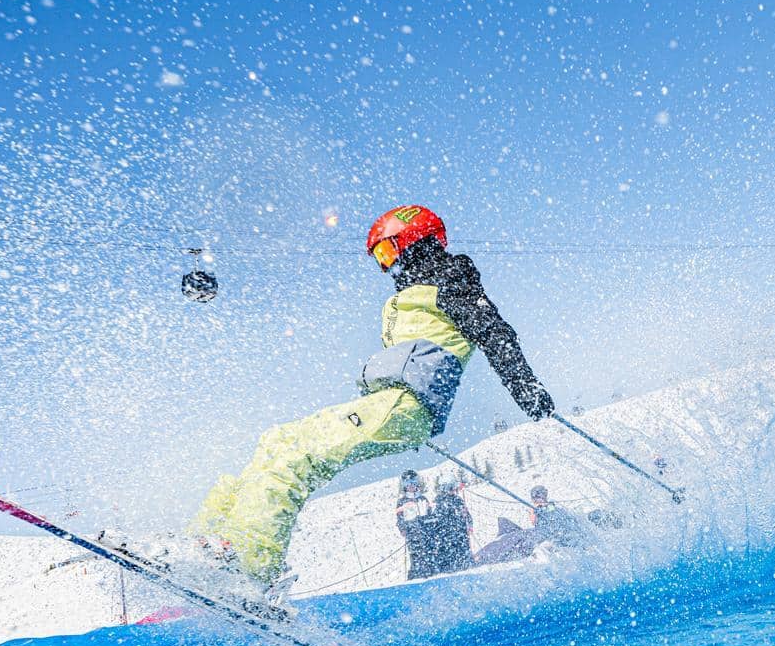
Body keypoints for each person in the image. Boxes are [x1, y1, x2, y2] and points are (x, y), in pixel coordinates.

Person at [192, 204, 554, 585]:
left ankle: (252, 569)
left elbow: (496, 334)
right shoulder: (409, 296)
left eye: (386, 252)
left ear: (414, 241)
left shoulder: (450, 280)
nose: (386, 267)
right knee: (276, 441)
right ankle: (209, 543)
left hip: (406, 406)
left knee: (299, 457)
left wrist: (527, 389)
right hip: (383, 404)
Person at [423, 477, 475, 577]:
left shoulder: (458, 500)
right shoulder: (438, 501)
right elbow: (432, 518)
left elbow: (466, 514)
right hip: (445, 536)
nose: (453, 491)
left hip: (460, 534)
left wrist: (469, 525)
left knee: (463, 556)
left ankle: (466, 568)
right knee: (448, 558)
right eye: (450, 488)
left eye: (453, 488)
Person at [394, 469, 439, 579]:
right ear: (404, 486)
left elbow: (430, 514)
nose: (411, 486)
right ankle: (416, 576)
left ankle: (432, 574)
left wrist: (431, 522)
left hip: (427, 533)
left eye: (414, 484)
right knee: (416, 556)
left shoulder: (422, 498)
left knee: (430, 554)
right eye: (408, 484)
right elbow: (399, 518)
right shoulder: (402, 501)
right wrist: (402, 528)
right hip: (413, 534)